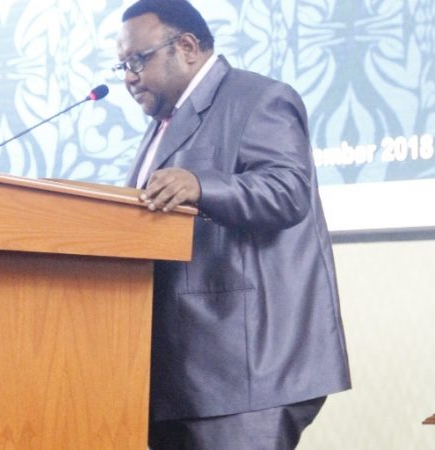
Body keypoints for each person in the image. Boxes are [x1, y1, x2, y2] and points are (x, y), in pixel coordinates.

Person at [114, 1, 351, 448]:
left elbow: (287, 192)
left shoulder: (259, 98)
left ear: (187, 47)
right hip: (177, 373)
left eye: (138, 60)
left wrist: (201, 184)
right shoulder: (164, 123)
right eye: (122, 65)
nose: (129, 77)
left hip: (243, 370)